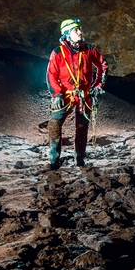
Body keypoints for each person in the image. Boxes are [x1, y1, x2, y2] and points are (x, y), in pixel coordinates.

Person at [46, 18, 107, 169]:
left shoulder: (89, 50)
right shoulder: (58, 53)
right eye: (76, 30)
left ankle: (80, 159)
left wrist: (97, 85)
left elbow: (103, 65)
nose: (80, 32)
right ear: (67, 34)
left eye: (80, 29)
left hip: (84, 96)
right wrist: (56, 94)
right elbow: (51, 75)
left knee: (82, 127)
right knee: (54, 124)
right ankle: (54, 160)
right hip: (66, 95)